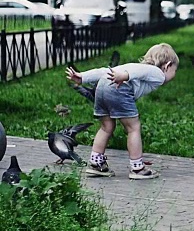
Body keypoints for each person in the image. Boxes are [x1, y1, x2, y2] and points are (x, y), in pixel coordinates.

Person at [66, 43, 179, 179]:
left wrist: (83, 77)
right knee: (133, 128)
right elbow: (142, 72)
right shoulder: (157, 73)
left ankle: (96, 164)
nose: (175, 74)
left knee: (106, 127)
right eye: (175, 70)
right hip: (119, 88)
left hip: (101, 87)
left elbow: (104, 71)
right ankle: (137, 168)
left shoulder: (130, 66)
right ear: (167, 66)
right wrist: (125, 76)